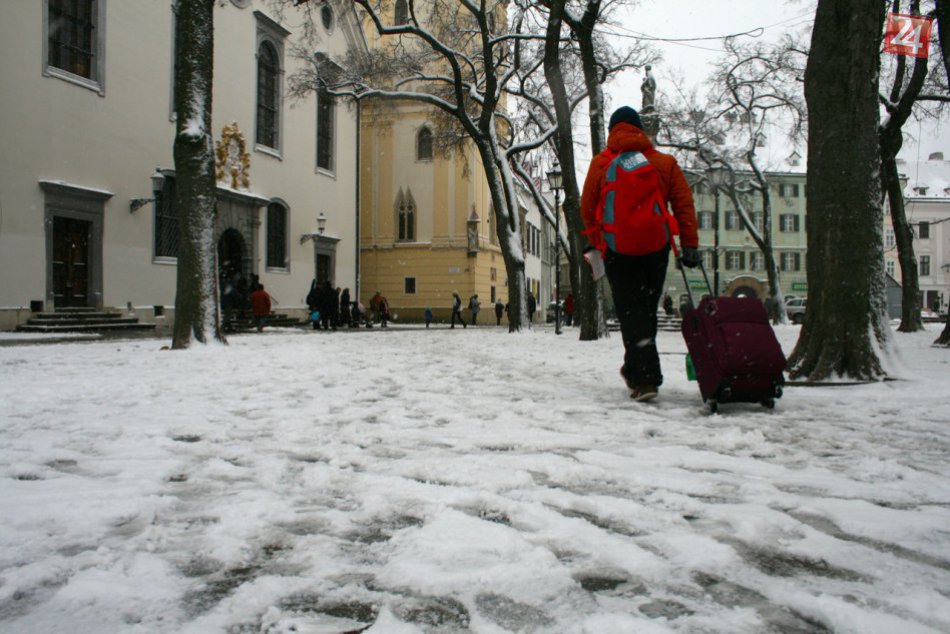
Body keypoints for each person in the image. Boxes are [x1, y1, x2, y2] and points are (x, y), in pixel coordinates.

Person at [581, 105, 700, 402]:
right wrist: (690, 245)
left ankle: (644, 378)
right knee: (646, 309)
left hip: (618, 249)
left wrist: (595, 242)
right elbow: (684, 205)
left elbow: (587, 207)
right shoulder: (663, 162)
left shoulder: (601, 163)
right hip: (655, 247)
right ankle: (638, 371)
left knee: (630, 312)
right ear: (640, 130)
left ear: (612, 131)